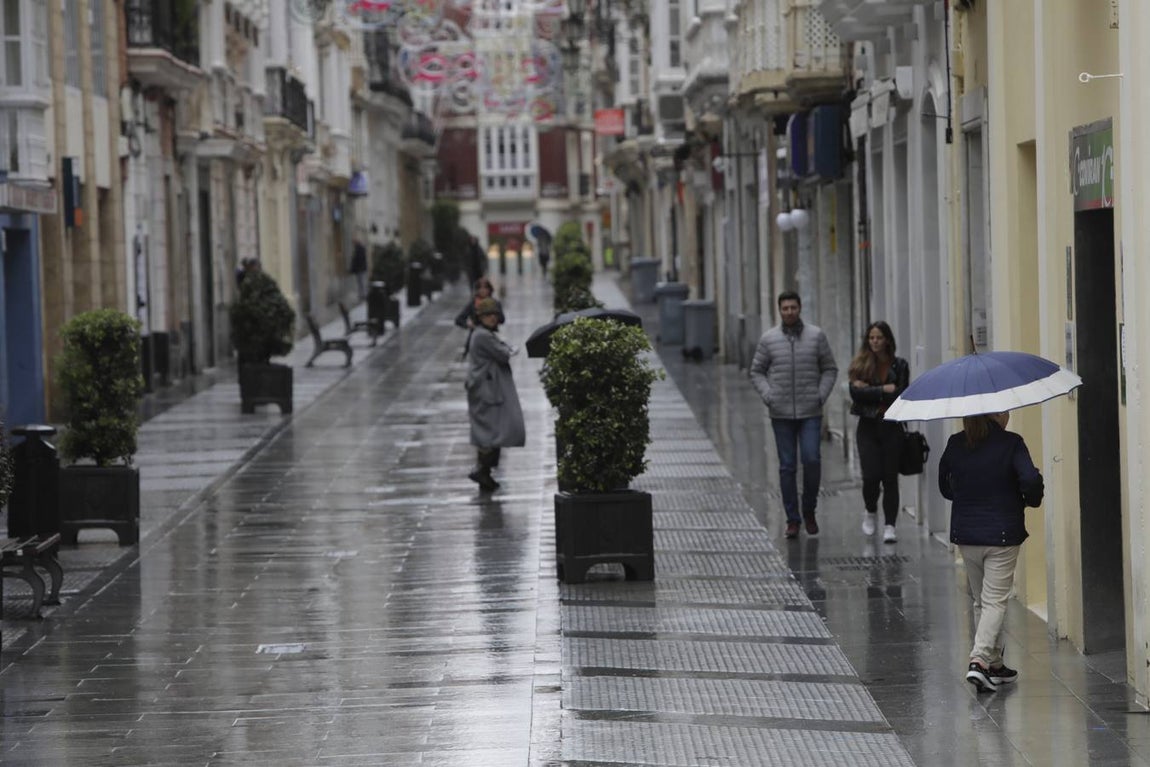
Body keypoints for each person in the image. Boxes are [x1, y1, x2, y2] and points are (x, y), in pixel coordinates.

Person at [938, 411, 1044, 693]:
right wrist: (1029, 498)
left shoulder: (954, 443)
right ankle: (979, 660)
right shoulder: (1011, 443)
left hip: (967, 534)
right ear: (997, 415)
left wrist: (967, 495)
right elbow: (1031, 481)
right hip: (1002, 533)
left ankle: (995, 665)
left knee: (981, 601)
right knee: (995, 601)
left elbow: (945, 487)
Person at [750, 291, 838, 540]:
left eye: (793, 307)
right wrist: (769, 395)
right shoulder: (769, 339)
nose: (789, 312)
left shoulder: (816, 336)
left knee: (811, 460)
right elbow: (756, 371)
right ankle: (792, 518)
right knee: (787, 467)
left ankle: (809, 509)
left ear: (800, 308)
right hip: (781, 413)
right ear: (780, 311)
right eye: (785, 308)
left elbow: (829, 368)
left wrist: (820, 395)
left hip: (810, 411)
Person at [848, 321, 910, 543]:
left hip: (891, 426)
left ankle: (890, 525)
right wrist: (883, 390)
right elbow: (855, 393)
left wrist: (870, 391)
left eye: (879, 337)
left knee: (890, 477)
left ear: (887, 340)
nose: (874, 341)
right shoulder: (861, 364)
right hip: (867, 426)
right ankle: (870, 510)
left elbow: (901, 394)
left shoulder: (900, 365)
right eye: (871, 338)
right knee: (871, 476)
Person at [465, 297, 525, 491]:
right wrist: (510, 349)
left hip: (488, 391)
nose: (492, 318)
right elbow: (502, 353)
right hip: (487, 392)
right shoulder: (482, 336)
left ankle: (485, 473)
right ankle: (482, 471)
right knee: (491, 433)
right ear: (480, 317)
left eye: (494, 315)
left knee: (493, 432)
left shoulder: (483, 334)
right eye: (487, 315)